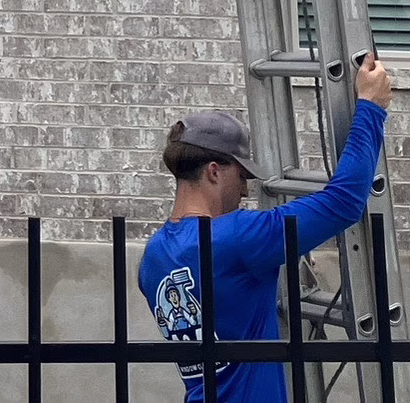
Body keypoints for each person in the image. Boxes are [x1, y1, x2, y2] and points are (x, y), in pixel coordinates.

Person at [136, 57, 396, 403]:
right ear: (214, 171)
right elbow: (345, 201)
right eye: (241, 176)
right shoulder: (235, 237)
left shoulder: (152, 258)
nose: (245, 191)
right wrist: (371, 107)